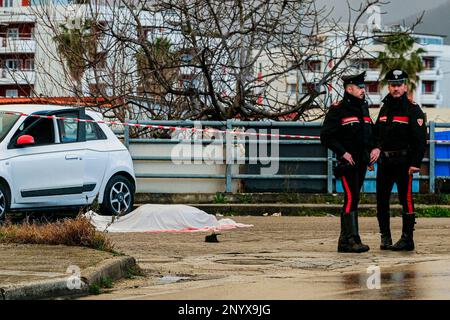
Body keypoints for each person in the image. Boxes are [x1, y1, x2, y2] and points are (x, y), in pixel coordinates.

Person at [321, 71, 376, 253]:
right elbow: (327, 137)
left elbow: (367, 135)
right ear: (349, 88)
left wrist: (370, 155)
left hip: (361, 162)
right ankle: (350, 239)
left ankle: (347, 240)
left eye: (363, 87)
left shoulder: (363, 108)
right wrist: (343, 153)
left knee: (354, 198)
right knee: (351, 198)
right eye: (360, 87)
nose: (363, 90)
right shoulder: (338, 109)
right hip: (348, 162)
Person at [372, 69, 427, 251]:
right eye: (392, 85)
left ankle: (407, 239)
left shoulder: (413, 109)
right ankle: (385, 237)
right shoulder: (385, 108)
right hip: (385, 163)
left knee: (406, 199)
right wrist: (374, 153)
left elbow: (420, 140)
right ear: (389, 86)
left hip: (404, 163)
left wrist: (415, 163)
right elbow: (377, 134)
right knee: (382, 200)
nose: (395, 88)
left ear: (405, 86)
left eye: (399, 85)